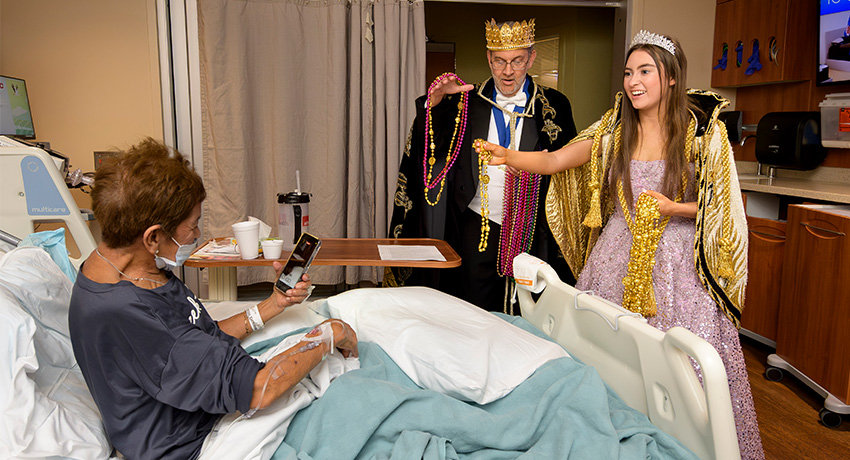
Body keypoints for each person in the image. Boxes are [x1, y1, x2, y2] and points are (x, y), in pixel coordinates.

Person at [475, 31, 764, 459]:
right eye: (629, 72)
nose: (634, 81)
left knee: (681, 370)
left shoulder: (703, 131)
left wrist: (672, 208)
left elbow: (720, 204)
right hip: (616, 253)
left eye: (645, 71)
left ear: (670, 77)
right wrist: (508, 155)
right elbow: (556, 160)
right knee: (610, 359)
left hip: (677, 265)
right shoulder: (615, 129)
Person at [68, 138, 358, 460]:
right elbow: (261, 388)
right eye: (192, 226)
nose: (196, 235)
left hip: (194, 406)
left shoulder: (117, 267)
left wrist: (275, 303)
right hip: (192, 443)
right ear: (153, 237)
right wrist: (330, 335)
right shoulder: (133, 314)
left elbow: (198, 334)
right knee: (353, 400)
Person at [386, 18, 577, 313]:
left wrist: (533, 172)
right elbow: (426, 144)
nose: (508, 71)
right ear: (488, 58)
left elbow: (569, 167)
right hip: (477, 223)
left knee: (528, 307)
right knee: (475, 307)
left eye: (517, 61)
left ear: (532, 57)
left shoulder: (554, 106)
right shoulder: (466, 102)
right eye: (499, 61)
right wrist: (434, 102)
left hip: (530, 226)